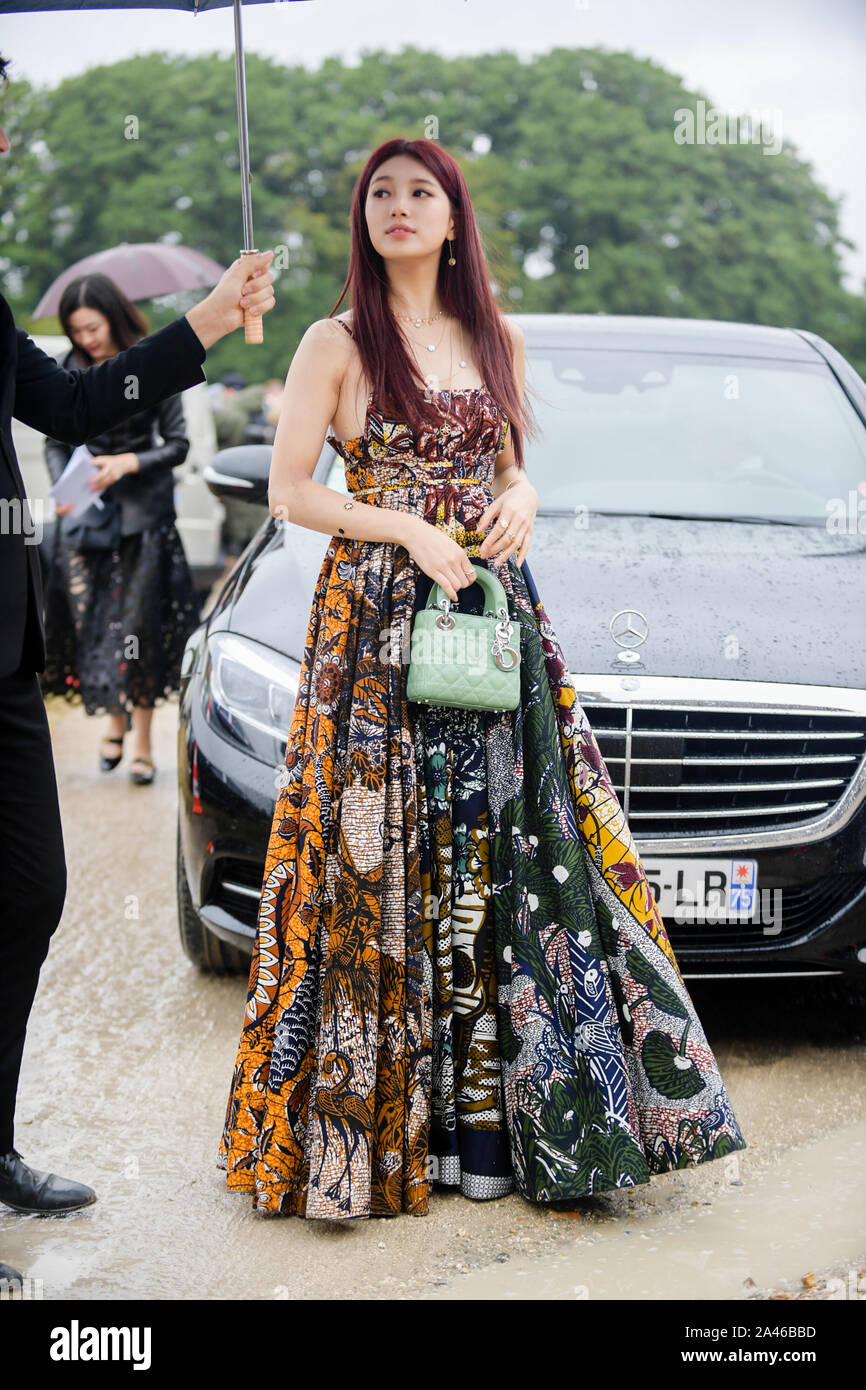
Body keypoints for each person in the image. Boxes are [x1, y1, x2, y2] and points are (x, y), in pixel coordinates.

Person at [217, 137, 747, 1221]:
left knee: (508, 853)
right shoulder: (332, 340)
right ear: (362, 220)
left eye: (421, 193)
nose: (398, 207)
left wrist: (525, 498)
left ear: (454, 219)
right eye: (380, 194)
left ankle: (514, 1138)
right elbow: (288, 492)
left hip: (491, 616)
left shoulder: (492, 334)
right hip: (372, 625)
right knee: (382, 857)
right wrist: (403, 527)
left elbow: (506, 467)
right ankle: (371, 1147)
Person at [0, 47, 276, 1288]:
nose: (5, 146)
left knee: (24, 895)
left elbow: (71, 400)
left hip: (5, 646)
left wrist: (204, 328)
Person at [40, 271, 201, 784]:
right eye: (77, 331)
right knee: (101, 628)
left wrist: (127, 462)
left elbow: (178, 445)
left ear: (113, 316)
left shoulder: (152, 361)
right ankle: (114, 723)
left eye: (93, 327)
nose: (86, 339)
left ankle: (144, 741)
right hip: (88, 522)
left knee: (141, 630)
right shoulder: (67, 370)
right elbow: (53, 441)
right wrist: (65, 484)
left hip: (145, 520)